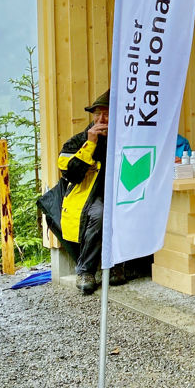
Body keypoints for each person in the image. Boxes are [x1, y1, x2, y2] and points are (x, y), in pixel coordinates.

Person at [57, 90, 127, 294]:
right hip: (88, 198)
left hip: (119, 195)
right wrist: (90, 144)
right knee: (100, 213)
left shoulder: (124, 139)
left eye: (106, 114)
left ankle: (117, 265)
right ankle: (86, 270)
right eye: (97, 114)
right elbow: (71, 174)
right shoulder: (79, 141)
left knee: (126, 211)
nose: (102, 119)